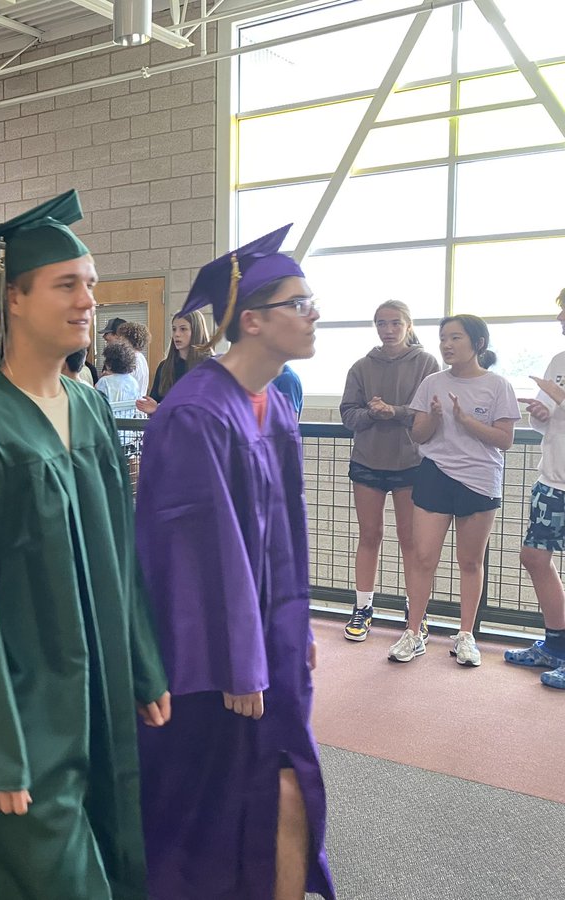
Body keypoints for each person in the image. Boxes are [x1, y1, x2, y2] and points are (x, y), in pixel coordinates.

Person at [0, 190, 171, 900]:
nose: (89, 300)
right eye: (67, 284)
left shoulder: (84, 406)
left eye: (91, 284)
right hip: (27, 708)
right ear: (13, 298)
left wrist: (141, 663)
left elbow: (119, 546)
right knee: (51, 877)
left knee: (108, 853)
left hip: (101, 685)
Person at [136, 225, 334, 900]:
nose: (314, 315)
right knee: (218, 812)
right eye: (298, 303)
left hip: (265, 645)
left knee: (289, 787)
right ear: (250, 320)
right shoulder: (195, 413)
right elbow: (194, 557)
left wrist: (295, 628)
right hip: (212, 665)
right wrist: (238, 660)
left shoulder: (273, 404)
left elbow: (285, 534)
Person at [389, 315, 519, 666]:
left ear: (478, 344)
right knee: (422, 557)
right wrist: (432, 417)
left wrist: (466, 421)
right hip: (435, 473)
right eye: (443, 338)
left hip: (480, 479)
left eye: (456, 338)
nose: (447, 344)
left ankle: (466, 636)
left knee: (470, 561)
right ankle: (413, 633)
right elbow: (418, 435)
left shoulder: (498, 386)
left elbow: (505, 440)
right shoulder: (432, 382)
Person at [339, 301, 439, 642]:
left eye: (395, 322)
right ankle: (363, 608)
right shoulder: (360, 366)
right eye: (381, 323)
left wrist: (393, 411)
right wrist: (372, 414)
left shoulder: (427, 363)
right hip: (367, 461)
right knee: (369, 535)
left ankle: (416, 614)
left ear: (408, 325)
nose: (388, 329)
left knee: (410, 540)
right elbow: (348, 414)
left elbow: (427, 414)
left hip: (411, 463)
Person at [508, 289, 565, 689]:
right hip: (552, 479)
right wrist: (543, 413)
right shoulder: (559, 362)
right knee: (534, 556)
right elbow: (545, 421)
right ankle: (555, 645)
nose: (561, 320)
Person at [137, 311, 212, 415]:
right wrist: (151, 409)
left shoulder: (210, 367)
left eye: (183, 329)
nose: (177, 334)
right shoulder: (164, 367)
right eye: (174, 329)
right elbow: (155, 404)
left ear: (196, 331)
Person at [95, 340, 139, 406]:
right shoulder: (133, 382)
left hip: (108, 416)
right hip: (128, 415)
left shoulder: (104, 382)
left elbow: (96, 404)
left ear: (108, 363)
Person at [115, 321, 151, 395]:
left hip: (130, 402)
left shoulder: (131, 359)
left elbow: (123, 385)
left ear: (131, 339)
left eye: (122, 337)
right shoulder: (141, 357)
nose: (119, 341)